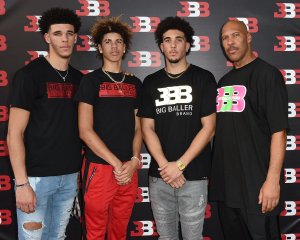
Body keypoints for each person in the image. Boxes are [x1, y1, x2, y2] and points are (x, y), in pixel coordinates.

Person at [138, 16, 216, 240]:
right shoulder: (151, 82)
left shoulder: (204, 78)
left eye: (178, 40)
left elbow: (209, 128)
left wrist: (179, 165)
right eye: (167, 40)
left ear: (188, 45)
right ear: (161, 46)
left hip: (194, 176)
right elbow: (147, 128)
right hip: (160, 177)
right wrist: (166, 167)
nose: (172, 45)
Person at [7, 7, 82, 240]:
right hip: (36, 180)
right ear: (47, 37)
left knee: (57, 237)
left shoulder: (80, 79)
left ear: (76, 38)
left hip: (69, 178)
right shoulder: (29, 76)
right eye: (58, 33)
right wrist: (22, 184)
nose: (64, 39)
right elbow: (14, 133)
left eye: (69, 33)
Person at [210, 20, 288, 240]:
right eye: (225, 38)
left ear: (248, 37)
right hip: (227, 189)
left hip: (257, 188)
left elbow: (279, 132)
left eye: (235, 35)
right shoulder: (223, 82)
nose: (230, 42)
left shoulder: (267, 75)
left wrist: (272, 181)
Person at [75, 17, 142, 240]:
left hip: (128, 170)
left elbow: (139, 126)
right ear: (100, 47)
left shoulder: (134, 83)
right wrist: (116, 163)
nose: (113, 46)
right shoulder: (90, 82)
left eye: (118, 42)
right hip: (100, 168)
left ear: (124, 48)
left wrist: (133, 160)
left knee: (119, 231)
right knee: (94, 232)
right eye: (108, 41)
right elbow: (85, 130)